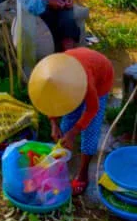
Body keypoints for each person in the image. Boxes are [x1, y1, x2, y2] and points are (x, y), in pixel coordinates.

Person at [49, 47, 116, 193]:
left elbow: (92, 109)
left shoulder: (84, 81)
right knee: (67, 121)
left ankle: (83, 174)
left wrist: (73, 133)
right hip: (84, 63)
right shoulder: (51, 77)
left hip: (101, 75)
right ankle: (62, 160)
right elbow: (50, 101)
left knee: (90, 129)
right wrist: (53, 123)